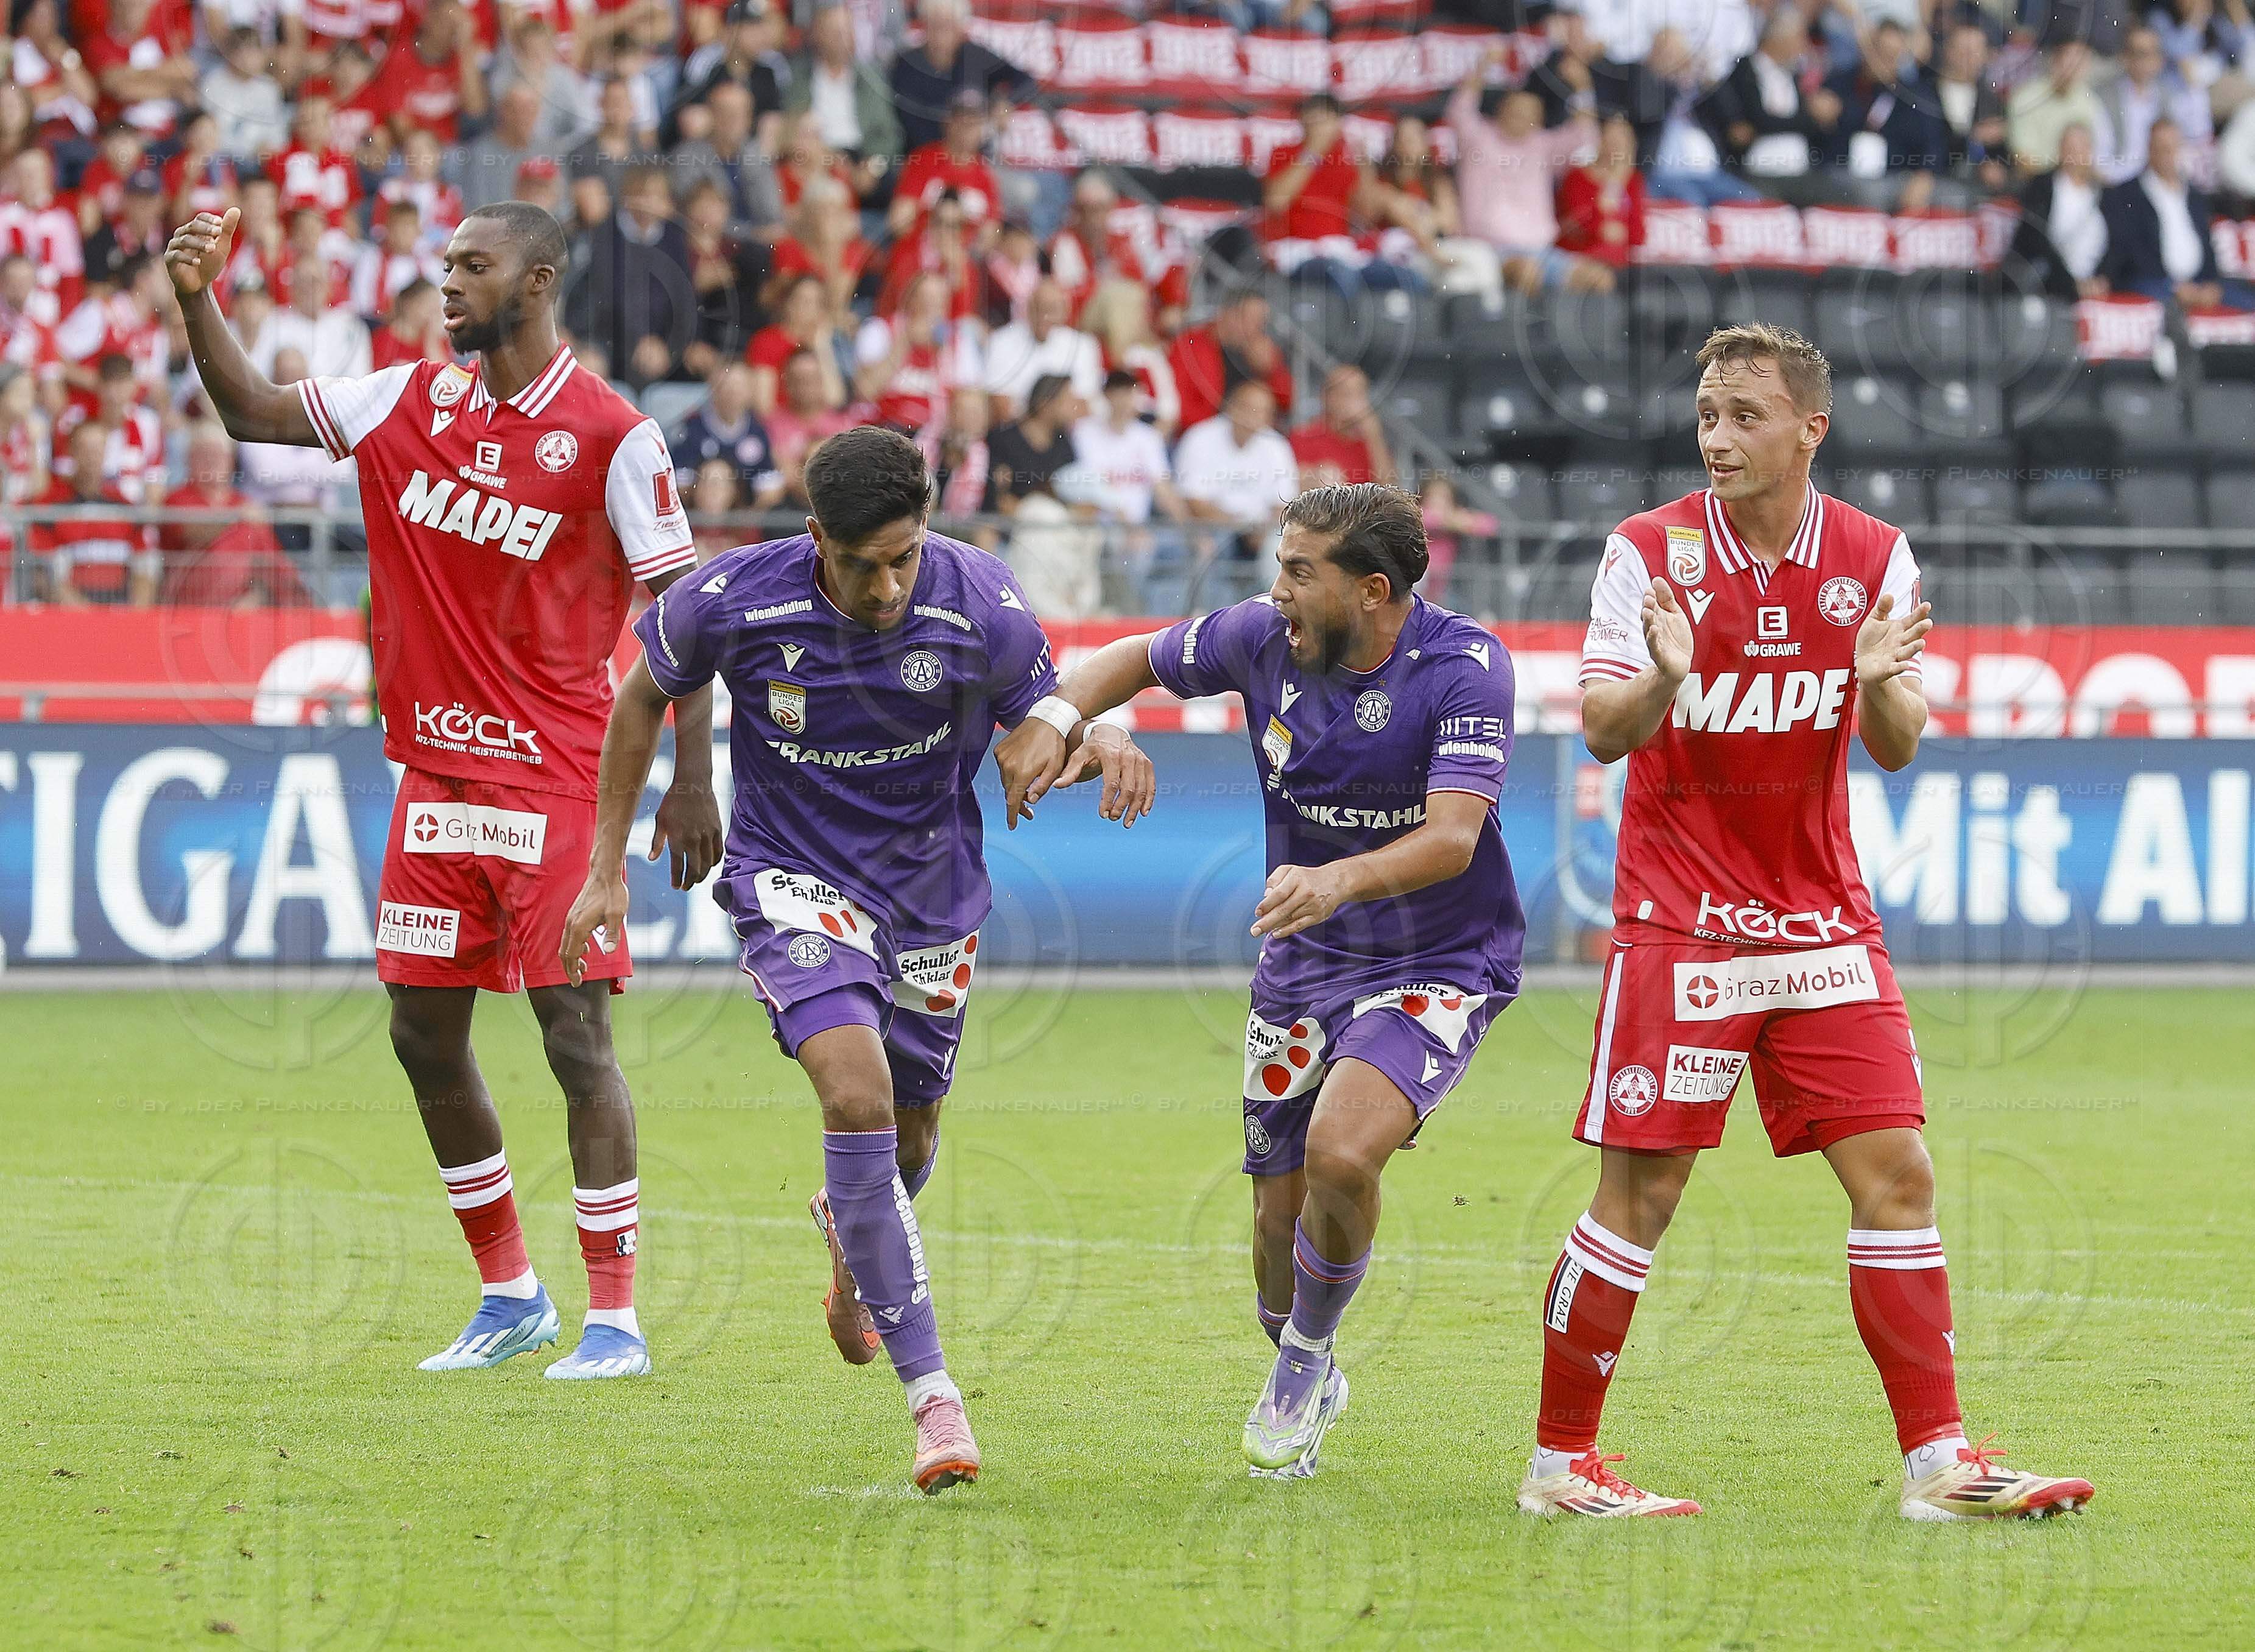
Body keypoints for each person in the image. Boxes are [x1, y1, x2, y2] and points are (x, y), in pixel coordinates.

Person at [1528, 322, 2095, 1522]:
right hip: (1684, 924)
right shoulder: (1646, 554)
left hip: (1823, 921)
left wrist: (1878, 676)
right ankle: (1559, 1467)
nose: (1718, 436)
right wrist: (1668, 676)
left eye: (1744, 415)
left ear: (1809, 430)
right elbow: (1602, 734)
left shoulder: (1876, 557)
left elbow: (1896, 750)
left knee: (1899, 1175)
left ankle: (1939, 1468)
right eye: (1706, 415)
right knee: (1644, 1195)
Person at [166, 199, 723, 1381]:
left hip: (560, 782)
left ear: (538, 282)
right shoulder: (405, 397)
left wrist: (691, 780)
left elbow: (683, 619)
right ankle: (509, 1294)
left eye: (475, 266)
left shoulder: (613, 436)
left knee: (575, 1034)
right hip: (436, 778)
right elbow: (251, 411)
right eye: (446, 264)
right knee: (422, 1032)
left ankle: (614, 1319)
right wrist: (194, 296)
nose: (449, 283)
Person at [560, 423, 1154, 1489]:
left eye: (904, 557)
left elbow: (1047, 714)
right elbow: (643, 691)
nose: (886, 585)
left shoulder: (979, 598)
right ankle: (937, 1405)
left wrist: (1096, 739)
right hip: (793, 878)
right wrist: (613, 856)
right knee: (856, 1093)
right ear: (813, 539)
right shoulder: (739, 595)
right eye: (861, 562)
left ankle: (855, 1226)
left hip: (931, 895)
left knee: (912, 1129)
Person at [994, 482, 1523, 1479]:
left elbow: (1453, 838)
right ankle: (1298, 1344)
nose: (1274, 587)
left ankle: (1307, 1359)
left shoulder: (1462, 668)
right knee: (1275, 1233)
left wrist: (1338, 877)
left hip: (1434, 959)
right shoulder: (1257, 639)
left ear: (1371, 591)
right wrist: (1065, 716)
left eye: (1297, 571)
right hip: (1304, 964)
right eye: (1277, 565)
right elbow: (1132, 659)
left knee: (1340, 1154)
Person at [1448, 49, 1607, 295]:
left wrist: (1582, 88)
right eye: (1516, 110)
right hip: (1491, 250)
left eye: (1529, 114)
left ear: (1539, 119)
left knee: (1599, 279)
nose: (1521, 117)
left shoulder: (1544, 146)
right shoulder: (1478, 138)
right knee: (1527, 274)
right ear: (1501, 109)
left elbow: (1585, 136)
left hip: (1542, 252)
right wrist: (1483, 65)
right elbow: (1460, 110)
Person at [2102, 116, 2250, 308]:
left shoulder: (2195, 196)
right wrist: (2175, 287)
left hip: (2198, 283)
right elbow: (2130, 252)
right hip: (2154, 283)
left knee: (2245, 298)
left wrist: (2210, 287)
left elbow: (2207, 248)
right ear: (2150, 150)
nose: (2167, 155)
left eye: (2172, 148)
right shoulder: (2128, 195)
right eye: (2161, 148)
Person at [2008, 122, 2112, 300]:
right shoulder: (2042, 187)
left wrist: (2102, 279)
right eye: (2070, 147)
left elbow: (2117, 244)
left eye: (2081, 148)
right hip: (2054, 284)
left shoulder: (2105, 194)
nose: (2075, 154)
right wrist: (2072, 284)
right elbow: (2036, 240)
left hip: (2093, 284)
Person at [982, 277, 1101, 422]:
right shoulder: (1001, 341)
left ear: (1065, 312)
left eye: (1051, 310)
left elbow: (1084, 404)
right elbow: (1000, 403)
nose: (1044, 316)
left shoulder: (1083, 345)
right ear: (1028, 309)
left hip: (1065, 433)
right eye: (1038, 308)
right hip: (1019, 432)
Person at [1290, 364, 1397, 490]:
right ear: (1327, 397)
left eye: (1360, 394)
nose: (1354, 403)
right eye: (1346, 394)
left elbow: (1389, 488)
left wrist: (1374, 436)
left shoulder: (1370, 443)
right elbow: (1288, 483)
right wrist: (1316, 477)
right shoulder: (1304, 436)